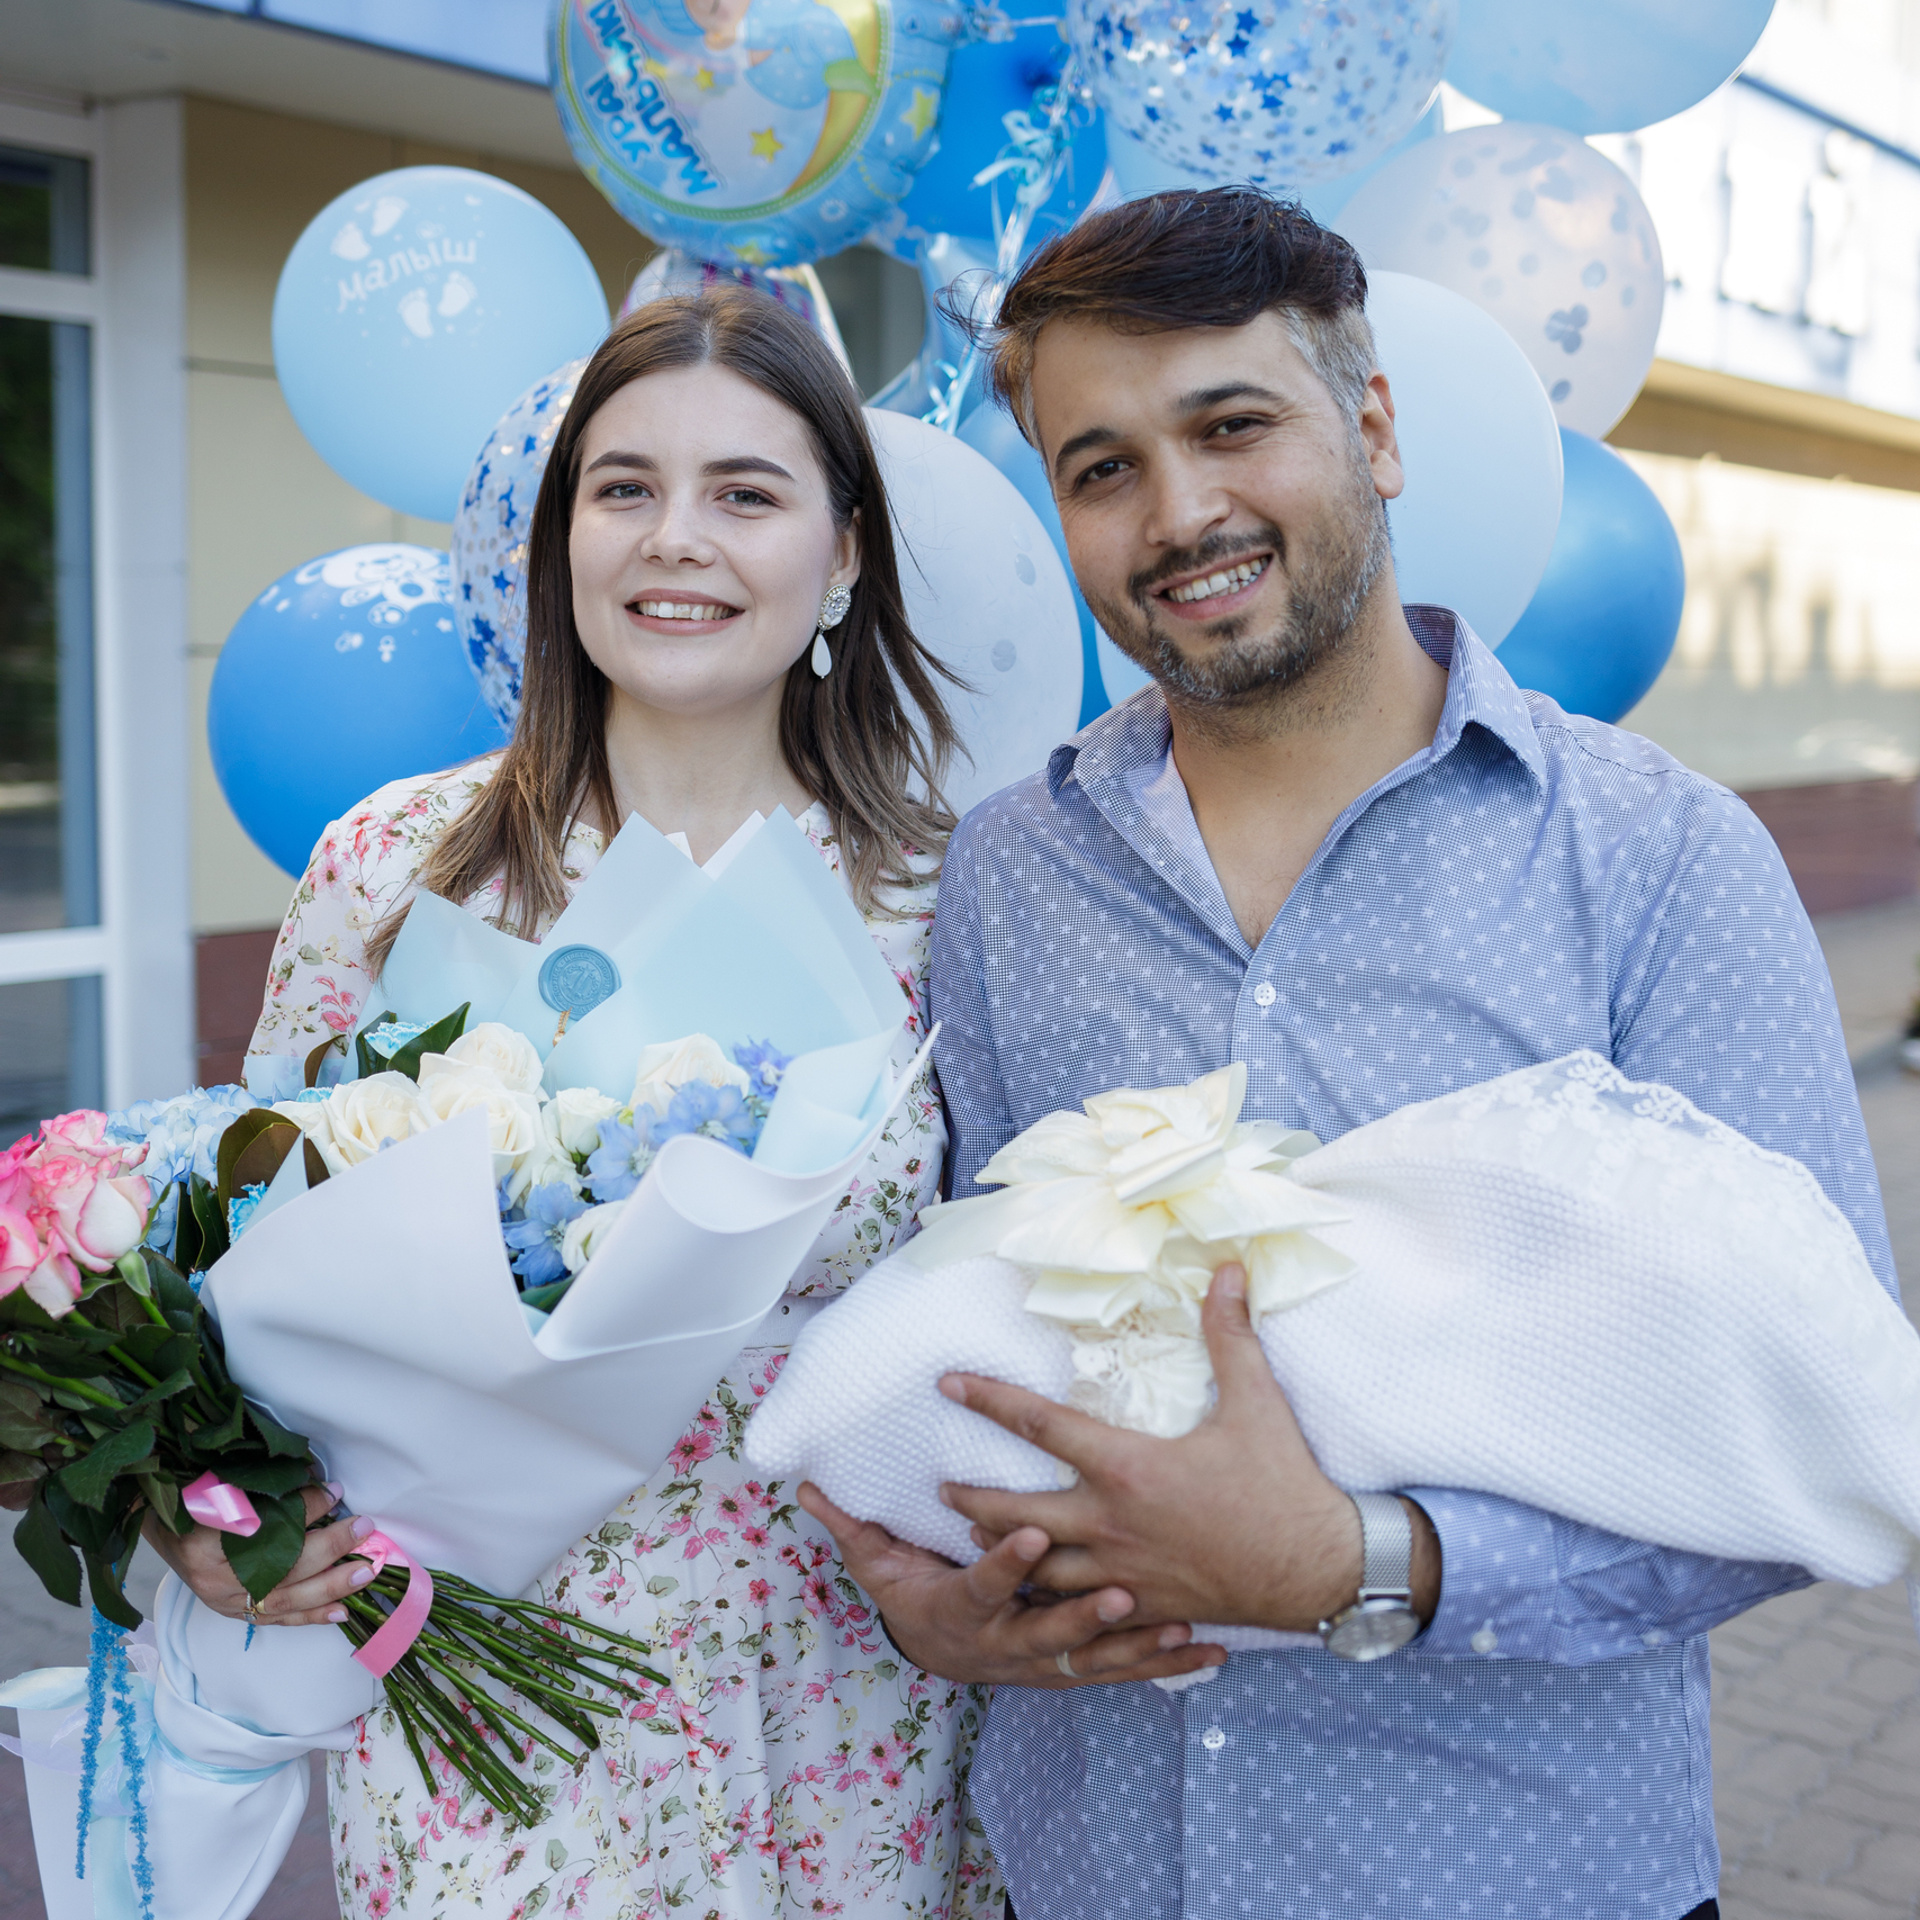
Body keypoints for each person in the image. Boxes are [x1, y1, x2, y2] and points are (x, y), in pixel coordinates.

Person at [800, 188, 1898, 1919]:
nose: (1182, 514)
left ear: (1372, 427)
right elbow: (979, 1321)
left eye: (1234, 426)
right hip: (1089, 1875)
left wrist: (1364, 1564)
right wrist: (925, 1605)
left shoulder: (1661, 861)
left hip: (1521, 1878)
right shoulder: (1010, 873)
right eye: (1103, 468)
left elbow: (1809, 1432)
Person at [147, 286, 1041, 1916]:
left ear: (844, 554)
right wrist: (204, 1513)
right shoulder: (395, 869)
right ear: (561, 539)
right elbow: (233, 1271)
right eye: (622, 488)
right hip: (484, 1686)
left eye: (745, 494)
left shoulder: (953, 897)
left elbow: (1022, 1289)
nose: (672, 540)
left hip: (843, 1680)